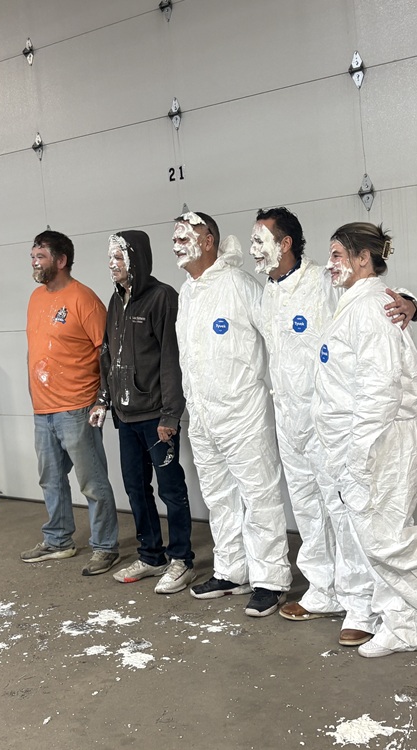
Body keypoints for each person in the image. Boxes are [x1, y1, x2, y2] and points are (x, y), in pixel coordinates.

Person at [313, 222, 417, 657]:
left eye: (337, 255)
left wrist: (359, 454)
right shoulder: (355, 302)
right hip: (360, 439)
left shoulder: (373, 308)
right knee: (376, 540)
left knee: (388, 539)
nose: (329, 264)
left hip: (381, 439)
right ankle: (404, 625)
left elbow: (379, 389)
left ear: (362, 259)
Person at [250, 208, 417, 646]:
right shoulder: (266, 293)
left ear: (285, 243)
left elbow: (375, 294)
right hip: (289, 418)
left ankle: (361, 603)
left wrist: (411, 302)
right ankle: (323, 588)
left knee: (344, 511)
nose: (254, 249)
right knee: (307, 507)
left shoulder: (321, 280)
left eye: (260, 240)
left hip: (329, 419)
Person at [173, 210, 292, 617]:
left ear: (208, 241)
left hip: (243, 414)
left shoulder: (239, 285)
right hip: (203, 416)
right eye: (174, 238)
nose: (176, 244)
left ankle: (270, 580)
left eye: (185, 236)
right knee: (219, 497)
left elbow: (277, 335)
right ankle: (231, 571)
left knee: (259, 497)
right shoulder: (187, 292)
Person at [90, 231, 195, 594]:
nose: (112, 264)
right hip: (126, 417)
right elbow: (109, 355)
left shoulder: (163, 298)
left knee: (171, 489)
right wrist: (103, 400)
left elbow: (172, 359)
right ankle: (152, 556)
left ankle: (181, 560)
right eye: (110, 258)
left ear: (136, 258)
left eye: (118, 257)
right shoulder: (116, 300)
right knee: (136, 488)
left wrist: (170, 415)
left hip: (156, 416)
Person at [22, 230, 121, 576]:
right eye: (33, 257)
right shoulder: (36, 298)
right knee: (50, 480)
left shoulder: (84, 299)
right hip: (43, 409)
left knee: (92, 481)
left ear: (61, 260)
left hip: (78, 407)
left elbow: (106, 353)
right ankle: (58, 540)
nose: (35, 263)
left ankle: (105, 546)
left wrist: (101, 400)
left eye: (41, 257)